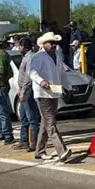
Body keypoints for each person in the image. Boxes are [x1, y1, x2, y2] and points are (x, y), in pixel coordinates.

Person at [29, 32, 74, 163]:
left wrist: (68, 87)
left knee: (45, 123)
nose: (53, 45)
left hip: (54, 92)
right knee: (50, 123)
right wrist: (41, 81)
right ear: (43, 44)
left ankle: (39, 151)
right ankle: (62, 151)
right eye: (51, 42)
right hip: (43, 93)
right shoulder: (39, 56)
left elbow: (62, 74)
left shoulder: (57, 56)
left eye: (55, 43)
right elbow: (32, 72)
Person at [15, 37, 40, 150]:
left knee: (31, 117)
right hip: (23, 89)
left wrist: (23, 91)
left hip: (27, 90)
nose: (18, 48)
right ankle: (24, 140)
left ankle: (34, 142)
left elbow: (28, 76)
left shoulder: (30, 57)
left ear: (23, 46)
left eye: (20, 46)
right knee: (24, 117)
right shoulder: (26, 57)